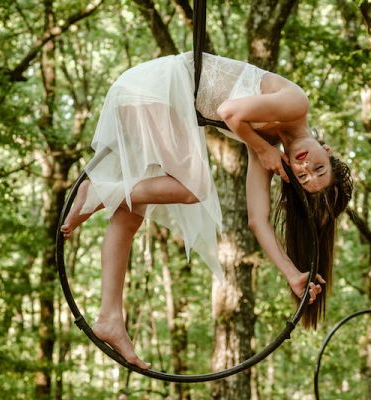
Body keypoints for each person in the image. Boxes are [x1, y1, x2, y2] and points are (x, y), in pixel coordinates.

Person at [60, 51, 353, 369]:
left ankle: (109, 317)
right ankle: (99, 190)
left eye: (305, 178)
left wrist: (292, 274)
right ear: (327, 151)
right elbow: (230, 112)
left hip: (158, 100)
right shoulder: (296, 105)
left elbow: (258, 221)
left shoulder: (266, 144)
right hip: (157, 88)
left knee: (133, 213)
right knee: (194, 187)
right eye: (319, 168)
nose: (306, 167)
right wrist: (263, 149)